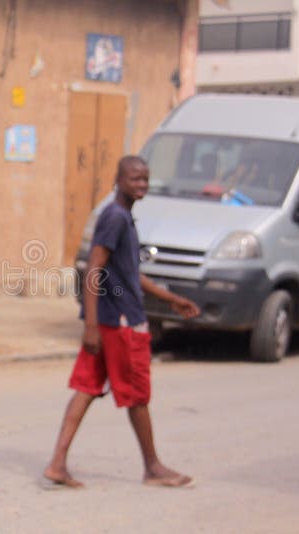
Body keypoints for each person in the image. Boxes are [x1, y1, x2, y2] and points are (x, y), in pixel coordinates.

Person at [44, 155, 200, 489]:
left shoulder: (124, 217)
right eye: (135, 179)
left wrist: (170, 298)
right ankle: (153, 467)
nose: (141, 184)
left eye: (145, 179)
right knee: (138, 397)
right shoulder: (114, 218)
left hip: (112, 321)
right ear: (119, 179)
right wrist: (90, 324)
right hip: (120, 324)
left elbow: (129, 273)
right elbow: (94, 270)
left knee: (86, 389)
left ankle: (57, 464)